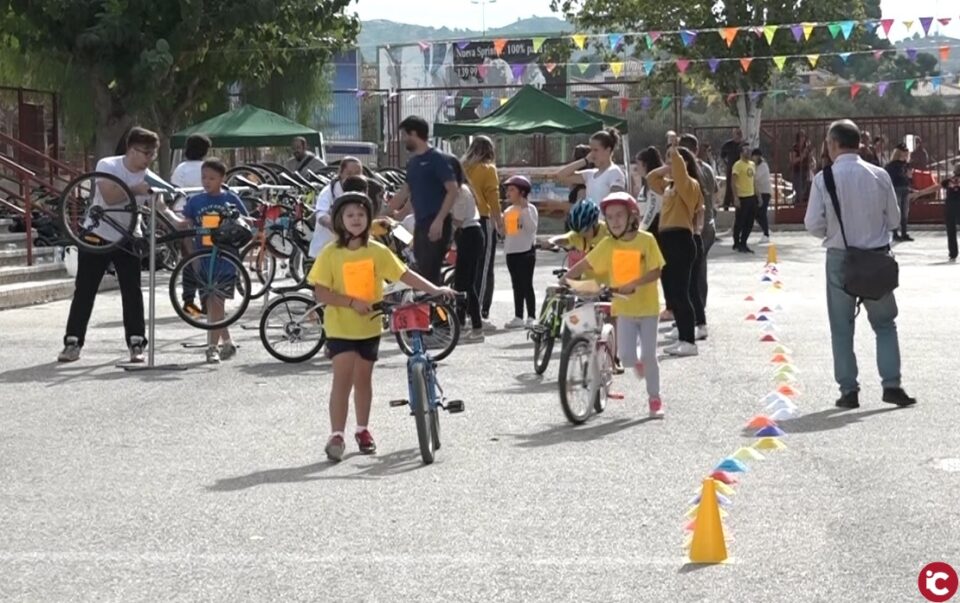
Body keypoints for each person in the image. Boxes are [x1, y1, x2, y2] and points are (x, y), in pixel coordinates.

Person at [308, 192, 455, 461]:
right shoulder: (330, 253)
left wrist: (435, 288)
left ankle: (362, 430)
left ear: (368, 219)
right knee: (342, 380)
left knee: (363, 379)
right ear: (340, 220)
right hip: (340, 326)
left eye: (361, 215)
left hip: (370, 326)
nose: (355, 219)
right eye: (350, 215)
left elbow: (404, 274)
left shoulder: (377, 250)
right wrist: (351, 302)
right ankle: (336, 435)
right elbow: (321, 293)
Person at [803, 119, 916, 409]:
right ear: (859, 143)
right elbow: (893, 219)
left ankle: (849, 390)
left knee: (842, 328)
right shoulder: (879, 175)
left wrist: (835, 232)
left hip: (841, 258)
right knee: (885, 324)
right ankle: (892, 385)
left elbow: (812, 223)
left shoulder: (824, 178)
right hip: (876, 258)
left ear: (833, 144)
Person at [58, 127, 160, 364]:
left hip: (128, 236)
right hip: (98, 234)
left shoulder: (148, 174)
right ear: (131, 149)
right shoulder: (109, 165)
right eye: (145, 153)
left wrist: (178, 219)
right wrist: (136, 189)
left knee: (132, 290)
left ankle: (136, 342)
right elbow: (110, 196)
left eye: (152, 154)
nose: (148, 158)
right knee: (85, 289)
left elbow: (160, 204)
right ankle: (73, 342)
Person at [562, 192, 665, 418]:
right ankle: (639, 363)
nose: (615, 220)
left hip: (647, 308)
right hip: (624, 309)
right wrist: (565, 279)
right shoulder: (608, 244)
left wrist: (633, 283)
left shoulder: (646, 240)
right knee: (627, 358)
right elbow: (585, 263)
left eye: (620, 215)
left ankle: (655, 399)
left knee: (649, 355)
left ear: (632, 216)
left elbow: (656, 270)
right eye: (609, 217)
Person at [164, 159, 248, 364]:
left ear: (222, 178)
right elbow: (187, 229)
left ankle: (212, 347)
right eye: (204, 177)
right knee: (211, 302)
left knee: (217, 300)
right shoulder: (195, 202)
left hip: (226, 258)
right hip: (202, 256)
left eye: (212, 178)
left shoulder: (231, 199)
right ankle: (226, 341)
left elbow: (245, 223)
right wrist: (191, 257)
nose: (206, 181)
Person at [646, 147, 703, 356]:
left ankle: (689, 340)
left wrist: (673, 150)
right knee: (672, 292)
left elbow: (680, 172)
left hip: (681, 239)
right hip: (667, 239)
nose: (670, 166)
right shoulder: (670, 187)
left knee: (682, 292)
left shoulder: (690, 186)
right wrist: (665, 167)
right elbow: (651, 179)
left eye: (674, 163)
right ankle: (681, 335)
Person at [393, 116, 459, 285]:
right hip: (420, 224)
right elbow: (405, 192)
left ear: (414, 133)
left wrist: (439, 220)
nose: (403, 140)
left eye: (404, 135)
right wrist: (386, 214)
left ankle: (435, 309)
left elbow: (452, 190)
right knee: (420, 269)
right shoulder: (413, 162)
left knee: (430, 274)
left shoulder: (437, 158)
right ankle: (424, 309)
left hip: (436, 223)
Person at [462, 136, 502, 330]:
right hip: (483, 217)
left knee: (468, 268)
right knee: (485, 267)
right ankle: (480, 313)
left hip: (464, 220)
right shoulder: (488, 169)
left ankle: (465, 311)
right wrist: (500, 222)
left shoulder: (463, 167)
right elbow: (493, 198)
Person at [680, 134, 717, 338]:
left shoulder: (690, 172)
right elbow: (715, 192)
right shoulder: (707, 169)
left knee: (691, 273)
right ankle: (698, 312)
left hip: (697, 226)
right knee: (700, 270)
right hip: (709, 224)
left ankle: (696, 316)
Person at [170, 133, 211, 317]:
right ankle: (207, 301)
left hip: (184, 215)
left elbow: (173, 193)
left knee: (188, 259)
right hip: (207, 216)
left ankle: (189, 301)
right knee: (206, 259)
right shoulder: (208, 168)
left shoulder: (181, 168)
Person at [447, 155, 486, 343]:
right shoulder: (455, 191)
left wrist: (442, 214)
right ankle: (462, 323)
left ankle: (475, 325)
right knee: (462, 282)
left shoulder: (460, 191)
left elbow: (459, 220)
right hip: (467, 236)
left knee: (466, 283)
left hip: (470, 234)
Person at [501, 175, 538, 329]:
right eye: (507, 190)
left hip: (526, 251)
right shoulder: (509, 210)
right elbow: (509, 233)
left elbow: (531, 228)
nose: (508, 193)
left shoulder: (530, 209)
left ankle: (531, 316)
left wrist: (524, 210)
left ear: (522, 192)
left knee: (526, 284)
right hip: (512, 252)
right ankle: (518, 316)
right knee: (516, 284)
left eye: (512, 190)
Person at [309, 156, 364, 259]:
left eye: (357, 173)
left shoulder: (363, 191)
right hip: (324, 251)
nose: (353, 177)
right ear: (341, 173)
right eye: (349, 173)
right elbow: (321, 215)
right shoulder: (328, 192)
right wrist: (336, 226)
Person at [556, 128, 626, 205]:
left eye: (596, 150)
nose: (592, 154)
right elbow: (561, 175)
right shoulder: (590, 174)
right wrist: (585, 160)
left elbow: (617, 202)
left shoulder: (614, 172)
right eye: (591, 150)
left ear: (608, 150)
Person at [548, 199, 607, 277]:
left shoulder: (608, 232)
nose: (582, 235)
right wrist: (550, 242)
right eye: (578, 232)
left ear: (595, 223)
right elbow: (565, 238)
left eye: (585, 231)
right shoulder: (580, 234)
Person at [731, 144, 758, 253]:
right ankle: (737, 243)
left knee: (750, 222)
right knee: (740, 222)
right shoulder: (737, 165)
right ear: (741, 152)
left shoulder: (752, 164)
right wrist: (735, 197)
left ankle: (744, 242)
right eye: (746, 150)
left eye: (749, 150)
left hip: (751, 196)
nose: (748, 152)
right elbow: (733, 182)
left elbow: (754, 181)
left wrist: (758, 195)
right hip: (742, 197)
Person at [885, 144, 914, 242]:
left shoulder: (906, 164)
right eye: (904, 152)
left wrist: (909, 179)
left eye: (907, 153)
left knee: (905, 212)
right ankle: (895, 233)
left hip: (905, 188)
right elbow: (891, 178)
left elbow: (909, 178)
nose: (906, 155)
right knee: (897, 211)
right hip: (896, 188)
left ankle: (904, 233)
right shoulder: (892, 165)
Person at [720, 127, 744, 210]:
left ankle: (739, 204)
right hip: (731, 168)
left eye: (739, 133)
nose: (737, 135)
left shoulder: (743, 145)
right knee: (730, 186)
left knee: (740, 186)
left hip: (741, 169)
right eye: (735, 133)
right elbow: (722, 156)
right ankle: (726, 205)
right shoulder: (728, 145)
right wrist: (726, 164)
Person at [752, 148, 772, 243]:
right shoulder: (755, 166)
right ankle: (766, 229)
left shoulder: (763, 166)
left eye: (755, 156)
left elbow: (756, 177)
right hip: (758, 192)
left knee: (762, 213)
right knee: (755, 213)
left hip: (765, 192)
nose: (753, 158)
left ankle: (766, 234)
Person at [790, 130, 814, 205]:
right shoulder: (794, 148)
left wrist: (811, 159)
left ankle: (804, 205)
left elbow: (811, 158)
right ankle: (798, 205)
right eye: (801, 137)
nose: (803, 139)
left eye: (804, 137)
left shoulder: (806, 147)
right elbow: (792, 160)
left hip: (806, 171)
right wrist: (802, 156)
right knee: (799, 190)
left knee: (806, 189)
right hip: (797, 171)